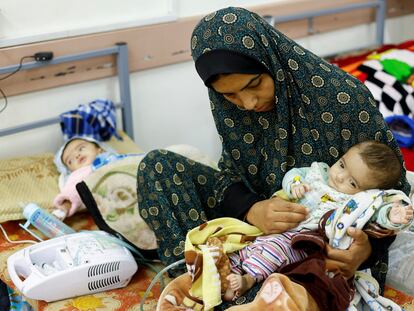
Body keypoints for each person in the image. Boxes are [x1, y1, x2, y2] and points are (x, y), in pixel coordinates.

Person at [136, 6, 411, 310]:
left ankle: (243, 294)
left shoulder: (341, 98)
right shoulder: (233, 111)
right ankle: (200, 279)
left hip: (316, 247)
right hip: (256, 231)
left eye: (254, 85)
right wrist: (253, 209)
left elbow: (393, 191)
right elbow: (232, 177)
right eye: (230, 95)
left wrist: (365, 250)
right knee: (157, 167)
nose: (248, 103)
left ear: (272, 61)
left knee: (311, 280)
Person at [224, 140, 413, 300]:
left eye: (352, 182)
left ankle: (249, 278)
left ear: (366, 192)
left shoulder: (354, 203)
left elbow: (376, 211)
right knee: (244, 244)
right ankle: (226, 271)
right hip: (276, 227)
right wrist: (294, 184)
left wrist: (392, 215)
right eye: (341, 164)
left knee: (275, 251)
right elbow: (295, 173)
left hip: (300, 243)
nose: (339, 177)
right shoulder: (319, 173)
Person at [53, 137, 130, 219]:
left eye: (81, 148)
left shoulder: (113, 158)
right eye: (70, 161)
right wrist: (64, 208)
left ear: (99, 149)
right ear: (71, 171)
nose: (76, 155)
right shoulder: (79, 175)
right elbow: (71, 194)